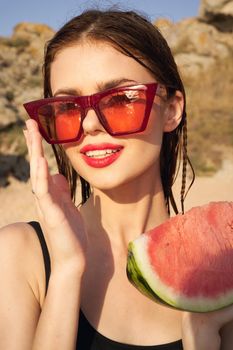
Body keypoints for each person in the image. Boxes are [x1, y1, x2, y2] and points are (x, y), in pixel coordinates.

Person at [0, 8, 233, 350]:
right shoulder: (19, 253)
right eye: (68, 107)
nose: (90, 124)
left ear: (171, 109)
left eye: (121, 99)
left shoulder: (222, 260)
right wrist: (66, 271)